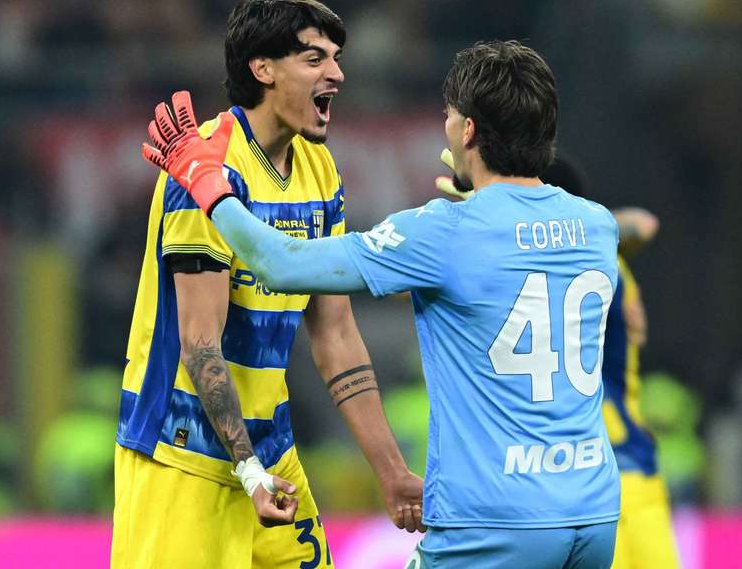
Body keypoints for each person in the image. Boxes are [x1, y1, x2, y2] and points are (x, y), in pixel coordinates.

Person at [142, 40, 621, 568]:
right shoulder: (597, 226)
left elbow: (278, 263)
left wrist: (206, 181)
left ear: (468, 132)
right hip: (593, 512)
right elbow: (522, 249)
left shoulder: (441, 232)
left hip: (495, 519)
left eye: (449, 117)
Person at [115, 0, 423, 569]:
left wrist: (391, 471)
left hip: (271, 454)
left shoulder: (318, 165)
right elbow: (200, 344)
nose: (336, 73)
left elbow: (334, 335)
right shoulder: (201, 165)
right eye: (314, 59)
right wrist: (247, 470)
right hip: (183, 459)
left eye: (336, 58)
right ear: (262, 69)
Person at [443, 158, 680, 568]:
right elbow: (644, 224)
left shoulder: (516, 271)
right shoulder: (609, 261)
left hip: (570, 483)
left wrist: (490, 216)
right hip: (638, 477)